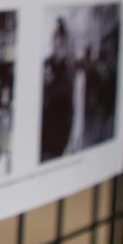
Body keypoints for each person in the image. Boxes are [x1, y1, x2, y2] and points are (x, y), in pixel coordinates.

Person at [42, 20, 76, 161]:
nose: (57, 43)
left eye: (60, 40)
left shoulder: (67, 69)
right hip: (43, 130)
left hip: (58, 135)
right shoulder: (47, 64)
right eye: (55, 38)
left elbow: (70, 106)